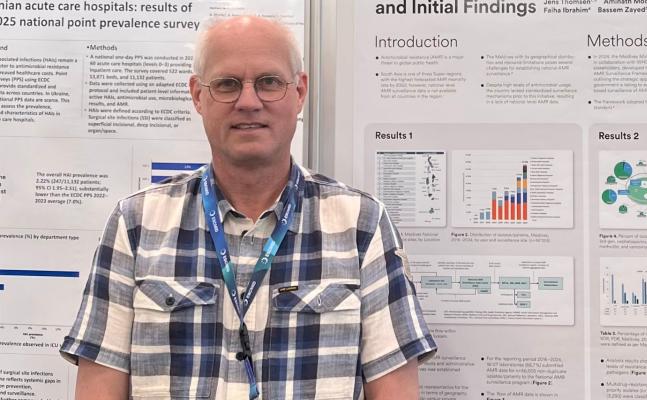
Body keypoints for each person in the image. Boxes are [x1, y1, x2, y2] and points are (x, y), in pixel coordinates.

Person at [59, 15, 436, 399]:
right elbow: (98, 390)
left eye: (269, 82)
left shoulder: (362, 226)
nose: (249, 102)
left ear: (300, 92)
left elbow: (395, 392)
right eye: (227, 84)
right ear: (198, 95)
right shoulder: (136, 225)